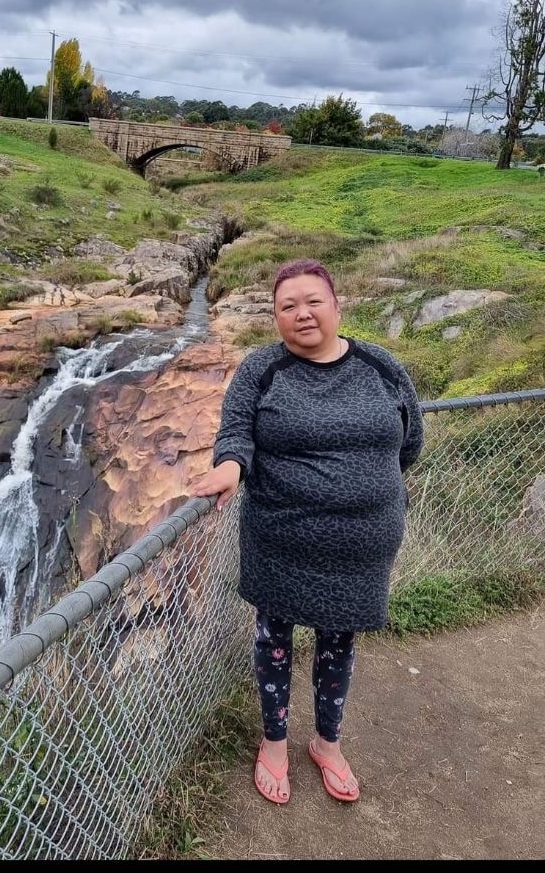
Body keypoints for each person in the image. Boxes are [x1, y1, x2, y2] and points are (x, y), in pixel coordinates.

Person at [191, 257, 424, 804]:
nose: (301, 314)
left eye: (312, 301)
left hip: (361, 550)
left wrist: (367, 488)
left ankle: (327, 743)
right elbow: (236, 433)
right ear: (274, 316)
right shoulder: (261, 369)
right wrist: (230, 466)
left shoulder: (381, 365)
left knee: (338, 645)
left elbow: (409, 440)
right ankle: (274, 743)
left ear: (337, 306)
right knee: (274, 643)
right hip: (280, 544)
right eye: (286, 306)